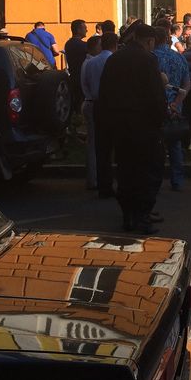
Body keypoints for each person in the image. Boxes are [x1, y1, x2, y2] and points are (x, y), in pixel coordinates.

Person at [96, 23, 166, 234]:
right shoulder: (148, 60)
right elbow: (156, 95)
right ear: (150, 41)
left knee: (126, 171)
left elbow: (104, 92)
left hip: (119, 125)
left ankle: (128, 215)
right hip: (144, 125)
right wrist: (160, 120)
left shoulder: (114, 59)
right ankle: (143, 216)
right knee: (148, 171)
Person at [153, 26, 190, 192]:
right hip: (175, 105)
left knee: (155, 144)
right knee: (175, 144)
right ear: (168, 39)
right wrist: (176, 102)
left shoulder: (151, 58)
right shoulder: (179, 57)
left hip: (156, 106)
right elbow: (187, 84)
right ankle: (177, 180)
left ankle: (155, 180)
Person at [81, 32, 117, 193]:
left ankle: (99, 181)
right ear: (115, 44)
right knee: (114, 144)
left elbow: (85, 83)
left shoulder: (90, 62)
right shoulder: (114, 61)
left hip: (94, 103)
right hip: (111, 105)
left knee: (98, 145)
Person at [65, 19, 89, 106]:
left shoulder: (68, 43)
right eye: (84, 28)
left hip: (73, 76)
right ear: (78, 30)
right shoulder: (82, 45)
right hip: (81, 78)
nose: (86, 30)